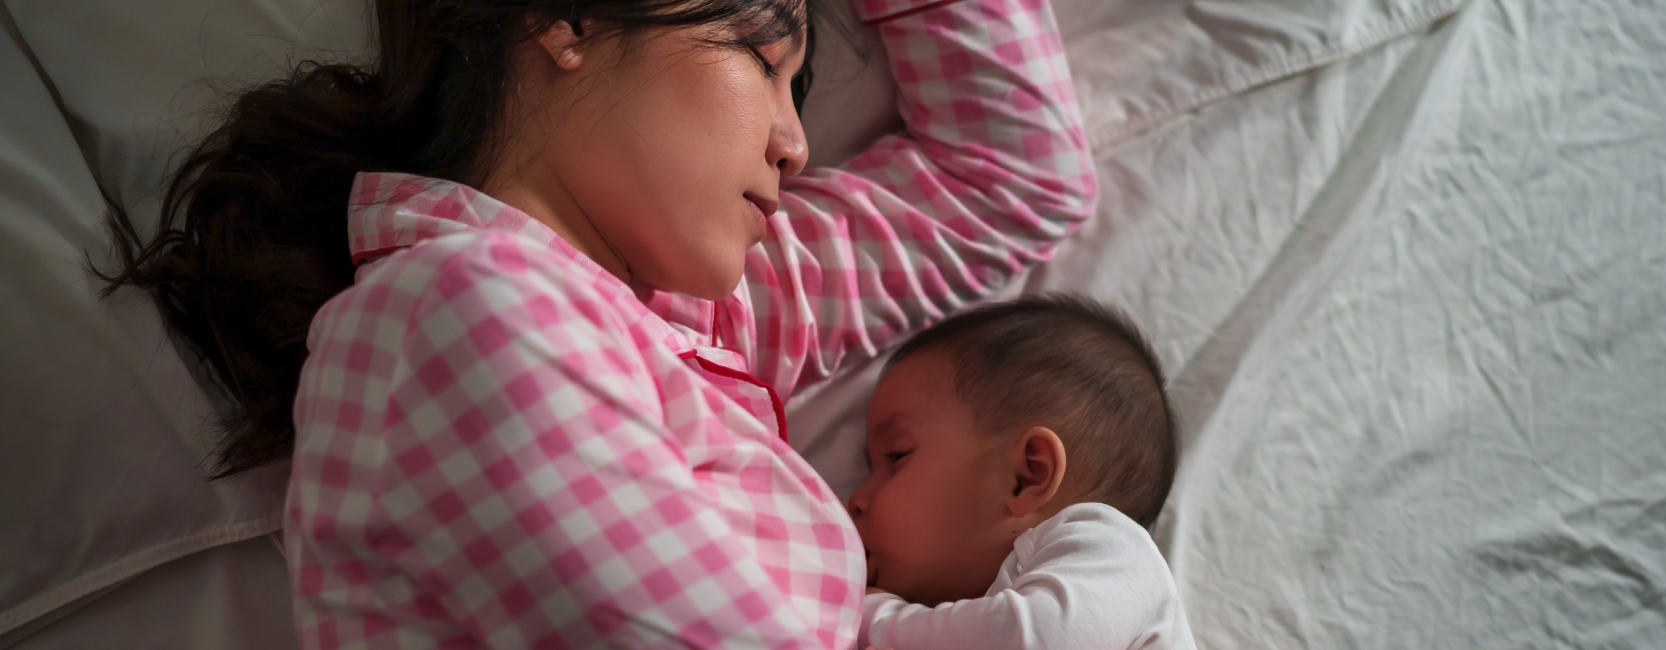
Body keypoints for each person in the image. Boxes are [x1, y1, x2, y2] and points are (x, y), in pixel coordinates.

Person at [96, 0, 1095, 645]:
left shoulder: (699, 313)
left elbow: (1011, 181)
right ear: (565, 16)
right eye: (760, 54)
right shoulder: (458, 309)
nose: (794, 143)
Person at [847, 295, 1197, 649]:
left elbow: (1044, 637)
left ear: (1027, 476)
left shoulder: (1116, 554)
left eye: (896, 456)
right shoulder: (981, 613)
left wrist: (875, 618)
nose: (855, 500)